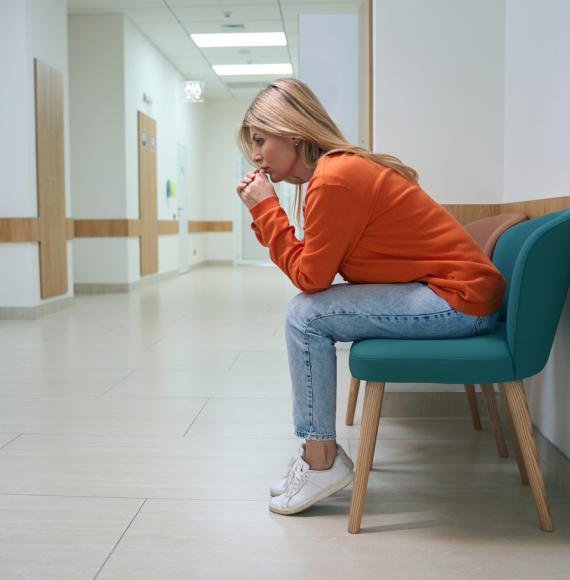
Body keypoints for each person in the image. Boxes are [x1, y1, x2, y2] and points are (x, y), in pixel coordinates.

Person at [235, 78, 505, 517]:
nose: (255, 155)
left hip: (459, 301)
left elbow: (310, 277)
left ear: (293, 133)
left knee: (305, 316)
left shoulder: (335, 178)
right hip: (451, 293)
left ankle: (320, 460)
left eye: (261, 140)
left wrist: (266, 210)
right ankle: (318, 456)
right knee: (307, 312)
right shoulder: (332, 176)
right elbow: (314, 266)